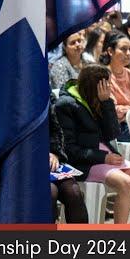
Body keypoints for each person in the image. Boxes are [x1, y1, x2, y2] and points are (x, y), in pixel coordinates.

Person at [54, 64, 130, 224]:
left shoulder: (100, 101)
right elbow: (69, 150)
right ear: (95, 85)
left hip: (107, 156)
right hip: (85, 161)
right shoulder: (66, 105)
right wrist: (103, 157)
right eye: (106, 84)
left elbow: (113, 134)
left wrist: (106, 103)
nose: (109, 88)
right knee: (126, 184)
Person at [48, 92, 88, 223]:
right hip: (23, 162)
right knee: (50, 193)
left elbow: (56, 130)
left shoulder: (45, 95)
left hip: (49, 160)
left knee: (74, 192)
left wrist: (55, 153)